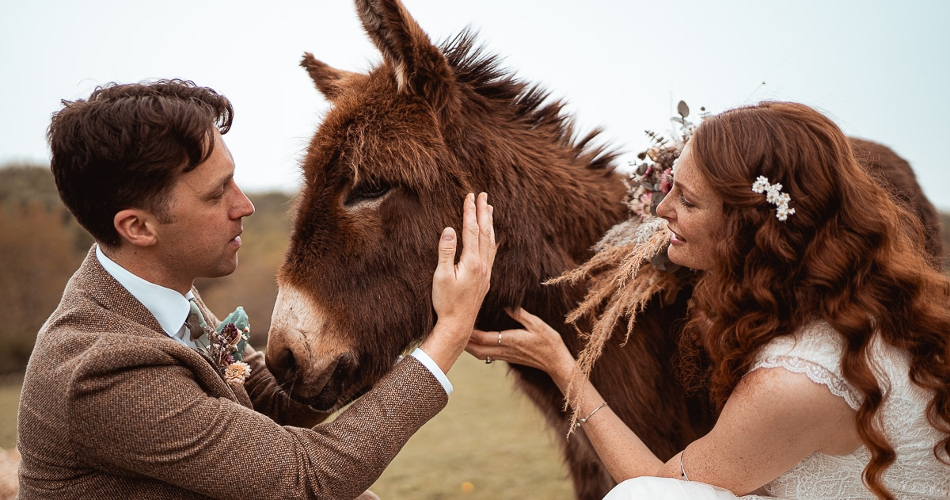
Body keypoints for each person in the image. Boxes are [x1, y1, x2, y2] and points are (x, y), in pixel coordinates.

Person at [16, 79, 496, 499]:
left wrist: (374, 325)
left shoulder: (165, 298)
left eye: (234, 180)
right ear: (138, 227)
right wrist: (448, 333)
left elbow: (272, 405)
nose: (244, 206)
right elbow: (304, 480)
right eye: (215, 194)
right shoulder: (103, 369)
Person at [466, 101, 950, 499]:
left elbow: (657, 491)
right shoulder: (866, 302)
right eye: (671, 184)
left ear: (749, 226)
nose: (660, 209)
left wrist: (564, 368)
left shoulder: (799, 379)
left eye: (689, 201)